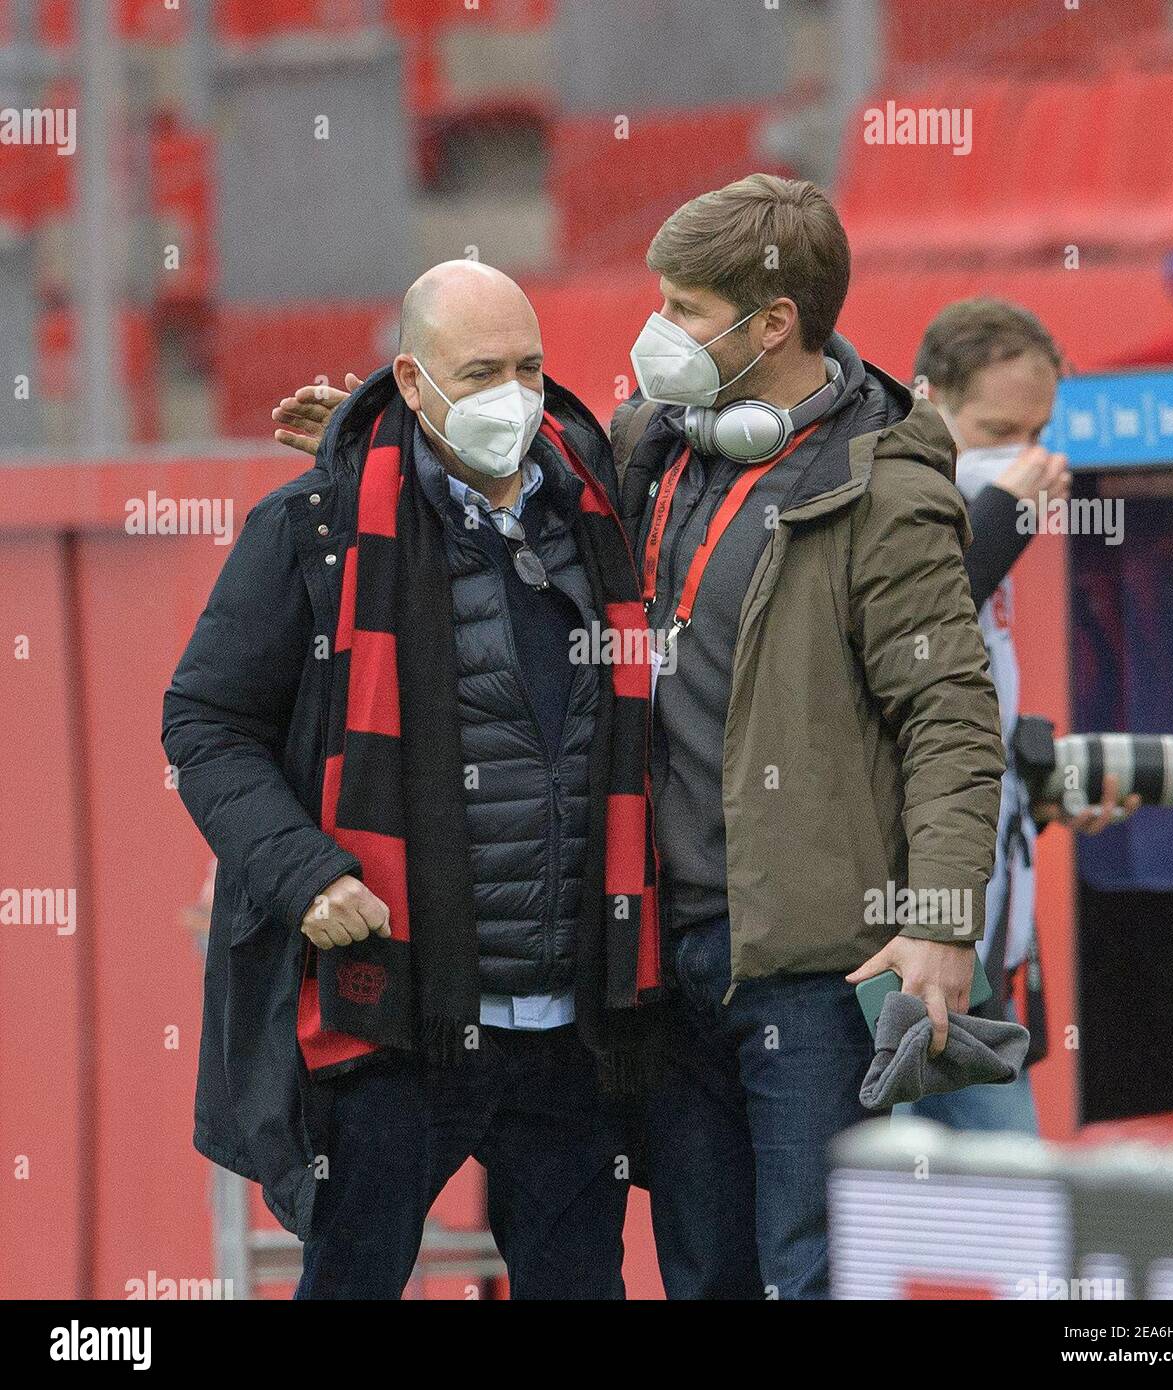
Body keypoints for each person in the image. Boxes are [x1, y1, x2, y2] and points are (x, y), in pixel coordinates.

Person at [270, 177, 1007, 1301]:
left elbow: (950, 717)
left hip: (811, 968)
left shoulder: (882, 489)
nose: (656, 332)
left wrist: (942, 925)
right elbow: (509, 475)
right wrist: (387, 441)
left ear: (773, 327)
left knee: (806, 1274)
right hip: (655, 962)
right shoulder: (648, 451)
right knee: (701, 1271)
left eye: (687, 309)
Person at [164, 260, 659, 1300]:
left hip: (573, 1025)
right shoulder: (315, 530)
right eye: (481, 371)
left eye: (530, 366)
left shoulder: (602, 515)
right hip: (392, 1012)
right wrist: (306, 873)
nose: (514, 395)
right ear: (411, 379)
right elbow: (205, 722)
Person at [891, 297, 1141, 1135]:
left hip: (987, 946)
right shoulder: (897, 508)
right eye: (999, 429)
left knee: (1015, 1205)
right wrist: (1006, 512)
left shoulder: (986, 512)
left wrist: (1040, 793)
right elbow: (912, 645)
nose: (1025, 458)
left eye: (1037, 433)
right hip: (902, 943)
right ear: (930, 404)